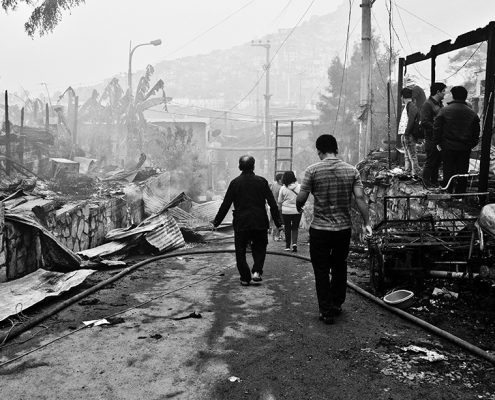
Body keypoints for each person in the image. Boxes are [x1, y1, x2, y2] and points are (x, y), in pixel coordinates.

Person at [296, 135, 371, 325]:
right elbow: (360, 199)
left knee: (321, 270)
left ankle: (326, 311)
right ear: (336, 149)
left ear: (319, 151)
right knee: (339, 266)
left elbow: (302, 197)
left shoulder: (312, 170)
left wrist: (299, 206)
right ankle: (336, 303)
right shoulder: (351, 171)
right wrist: (367, 222)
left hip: (320, 229)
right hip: (343, 229)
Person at [212, 155, 282, 286]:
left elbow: (225, 204)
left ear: (239, 167)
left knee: (240, 250)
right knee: (260, 247)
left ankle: (245, 277)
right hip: (260, 221)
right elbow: (273, 204)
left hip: (241, 223)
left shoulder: (234, 183)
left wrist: (216, 222)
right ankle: (256, 271)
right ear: (253, 166)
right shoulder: (262, 181)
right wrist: (278, 223)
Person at [433, 86, 480, 193]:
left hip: (447, 147)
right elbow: (476, 133)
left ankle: (448, 192)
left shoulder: (444, 111)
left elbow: (436, 128)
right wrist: (470, 145)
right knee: (463, 172)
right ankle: (460, 194)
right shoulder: (472, 113)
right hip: (464, 148)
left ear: (453, 96)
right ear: (465, 96)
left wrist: (438, 143)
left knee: (448, 171)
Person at [421, 82, 446, 187]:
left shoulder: (440, 104)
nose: (445, 93)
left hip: (439, 139)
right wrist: (437, 129)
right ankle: (425, 183)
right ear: (438, 92)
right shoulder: (427, 104)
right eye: (444, 91)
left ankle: (434, 182)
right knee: (430, 162)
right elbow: (424, 122)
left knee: (437, 162)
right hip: (431, 139)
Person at [398, 87, 421, 178]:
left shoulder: (411, 106)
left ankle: (414, 174)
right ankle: (408, 172)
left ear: (402, 97)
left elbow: (411, 120)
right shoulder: (409, 106)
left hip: (408, 135)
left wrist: (407, 133)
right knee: (408, 155)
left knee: (412, 156)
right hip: (405, 134)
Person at [277, 170, 302, 252]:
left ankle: (287, 246)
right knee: (295, 227)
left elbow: (279, 201)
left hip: (286, 211)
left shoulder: (283, 188)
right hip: (297, 210)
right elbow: (302, 198)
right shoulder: (299, 186)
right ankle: (294, 244)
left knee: (287, 227)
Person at [269, 173, 284, 241]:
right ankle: (277, 236)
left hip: (272, 206)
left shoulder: (273, 184)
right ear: (279, 180)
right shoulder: (281, 187)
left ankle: (274, 235)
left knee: (273, 221)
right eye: (282, 179)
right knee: (279, 222)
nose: (283, 180)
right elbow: (281, 199)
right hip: (279, 206)